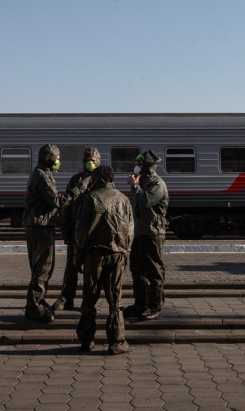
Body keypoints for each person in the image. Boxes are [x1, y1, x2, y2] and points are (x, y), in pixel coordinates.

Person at [22, 143, 90, 323]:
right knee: (43, 268)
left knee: (42, 267)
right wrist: (79, 189)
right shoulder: (42, 176)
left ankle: (38, 300)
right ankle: (34, 307)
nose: (59, 161)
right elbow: (58, 202)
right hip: (41, 228)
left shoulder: (41, 173)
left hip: (40, 226)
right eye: (57, 158)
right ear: (49, 158)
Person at [73, 165, 134, 355]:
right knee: (115, 297)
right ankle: (116, 342)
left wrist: (77, 256)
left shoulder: (90, 198)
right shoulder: (123, 199)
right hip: (117, 254)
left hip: (94, 254)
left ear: (97, 179)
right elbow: (130, 229)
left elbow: (81, 230)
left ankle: (86, 340)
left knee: (89, 297)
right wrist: (126, 252)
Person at [53, 147, 101, 311]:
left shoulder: (102, 181)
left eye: (93, 161)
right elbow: (66, 207)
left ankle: (88, 301)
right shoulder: (76, 180)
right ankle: (66, 298)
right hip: (75, 231)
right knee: (71, 268)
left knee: (91, 270)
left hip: (94, 233)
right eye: (87, 160)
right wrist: (65, 230)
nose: (90, 163)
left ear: (98, 162)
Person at [124, 150, 169, 321]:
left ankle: (155, 307)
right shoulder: (142, 182)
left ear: (147, 166)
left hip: (152, 233)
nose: (136, 166)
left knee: (153, 271)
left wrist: (134, 186)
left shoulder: (157, 184)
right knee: (137, 271)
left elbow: (146, 201)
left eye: (139, 164)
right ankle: (140, 305)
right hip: (139, 233)